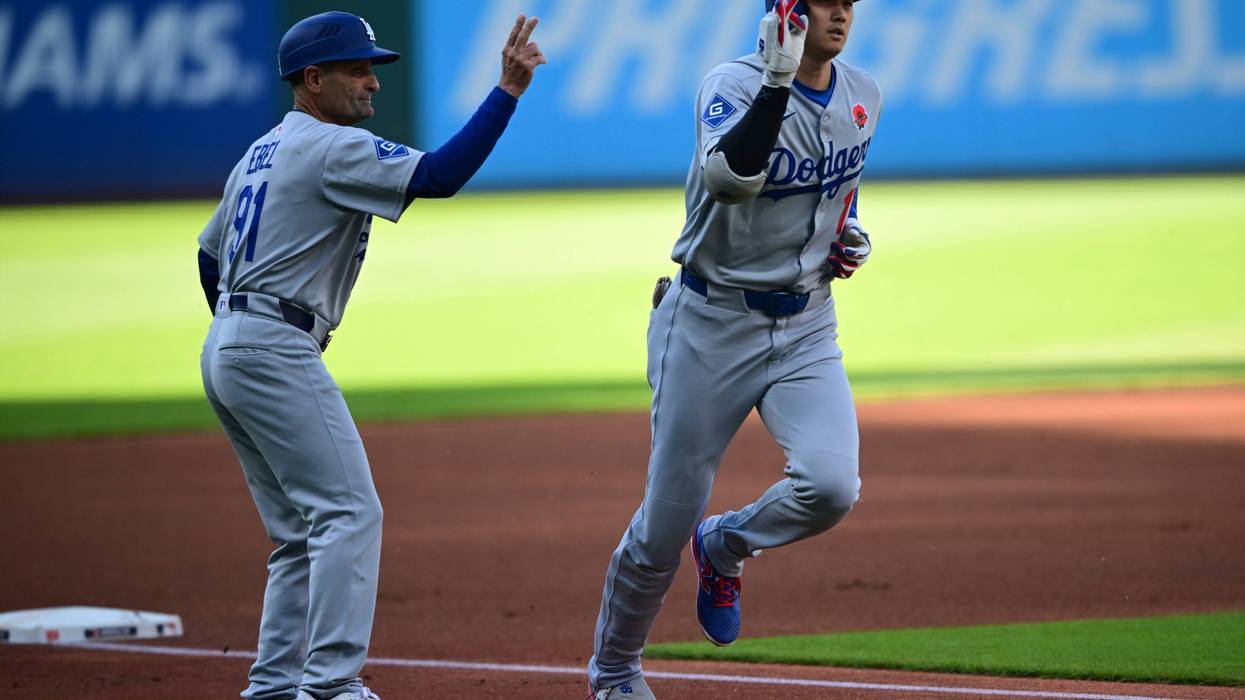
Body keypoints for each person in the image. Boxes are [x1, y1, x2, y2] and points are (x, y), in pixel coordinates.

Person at [196, 12, 545, 700]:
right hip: (271, 346)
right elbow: (440, 175)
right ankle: (328, 686)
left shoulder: (261, 150)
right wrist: (505, 90)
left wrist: (240, 332)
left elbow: (208, 257)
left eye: (373, 69)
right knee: (348, 514)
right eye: (356, 70)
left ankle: (272, 686)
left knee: (299, 532)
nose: (370, 83)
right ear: (311, 80)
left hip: (227, 347)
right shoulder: (330, 146)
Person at [587, 1, 878, 697]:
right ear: (787, 14)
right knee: (663, 525)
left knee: (831, 486)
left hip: (806, 324)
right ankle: (614, 670)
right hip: (708, 323)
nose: (840, 14)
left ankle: (725, 544)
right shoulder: (730, 85)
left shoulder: (863, 93)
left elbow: (837, 195)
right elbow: (728, 180)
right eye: (823, 2)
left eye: (848, 2)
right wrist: (777, 85)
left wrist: (850, 236)